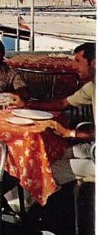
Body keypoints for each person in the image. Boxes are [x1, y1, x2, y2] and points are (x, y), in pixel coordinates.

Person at [21, 42, 95, 185]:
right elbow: (62, 104)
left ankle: (10, 203)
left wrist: (71, 133)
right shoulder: (92, 86)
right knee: (49, 156)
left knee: (48, 170)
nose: (74, 67)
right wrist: (26, 104)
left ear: (94, 63)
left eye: (78, 62)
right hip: (92, 146)